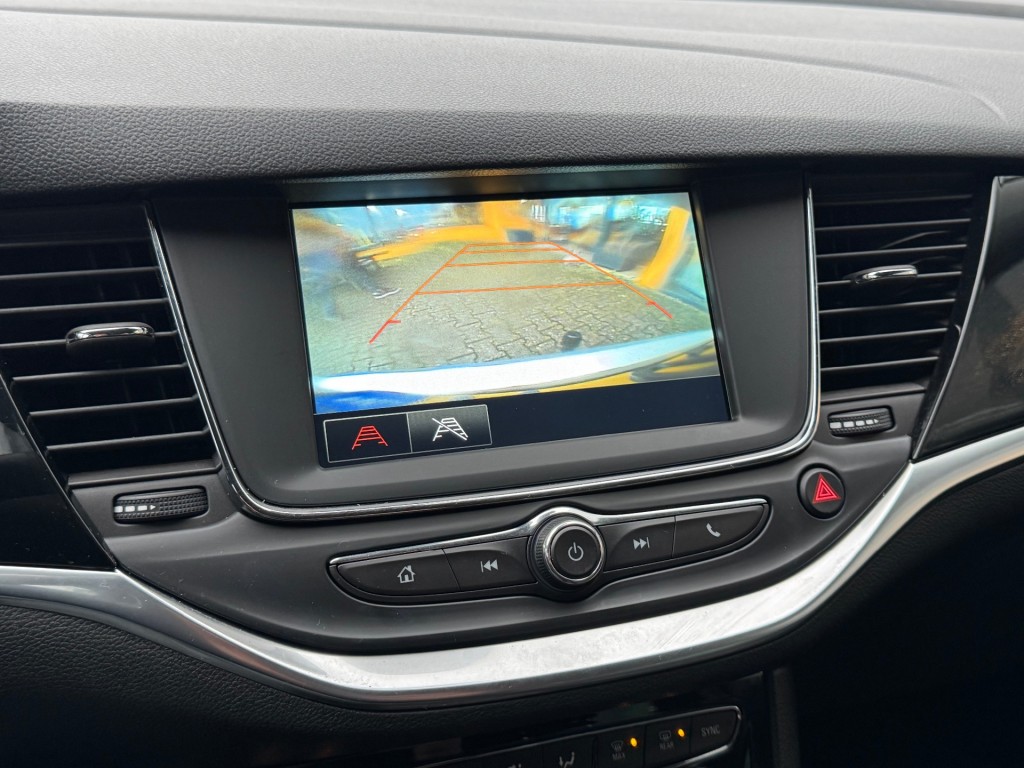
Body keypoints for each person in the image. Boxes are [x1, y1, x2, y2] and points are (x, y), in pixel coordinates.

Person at [294, 212, 398, 319]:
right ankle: (375, 290)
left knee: (325, 283)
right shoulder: (304, 220)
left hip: (315, 254)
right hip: (321, 253)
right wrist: (341, 239)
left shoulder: (301, 222)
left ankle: (330, 313)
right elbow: (322, 229)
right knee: (348, 270)